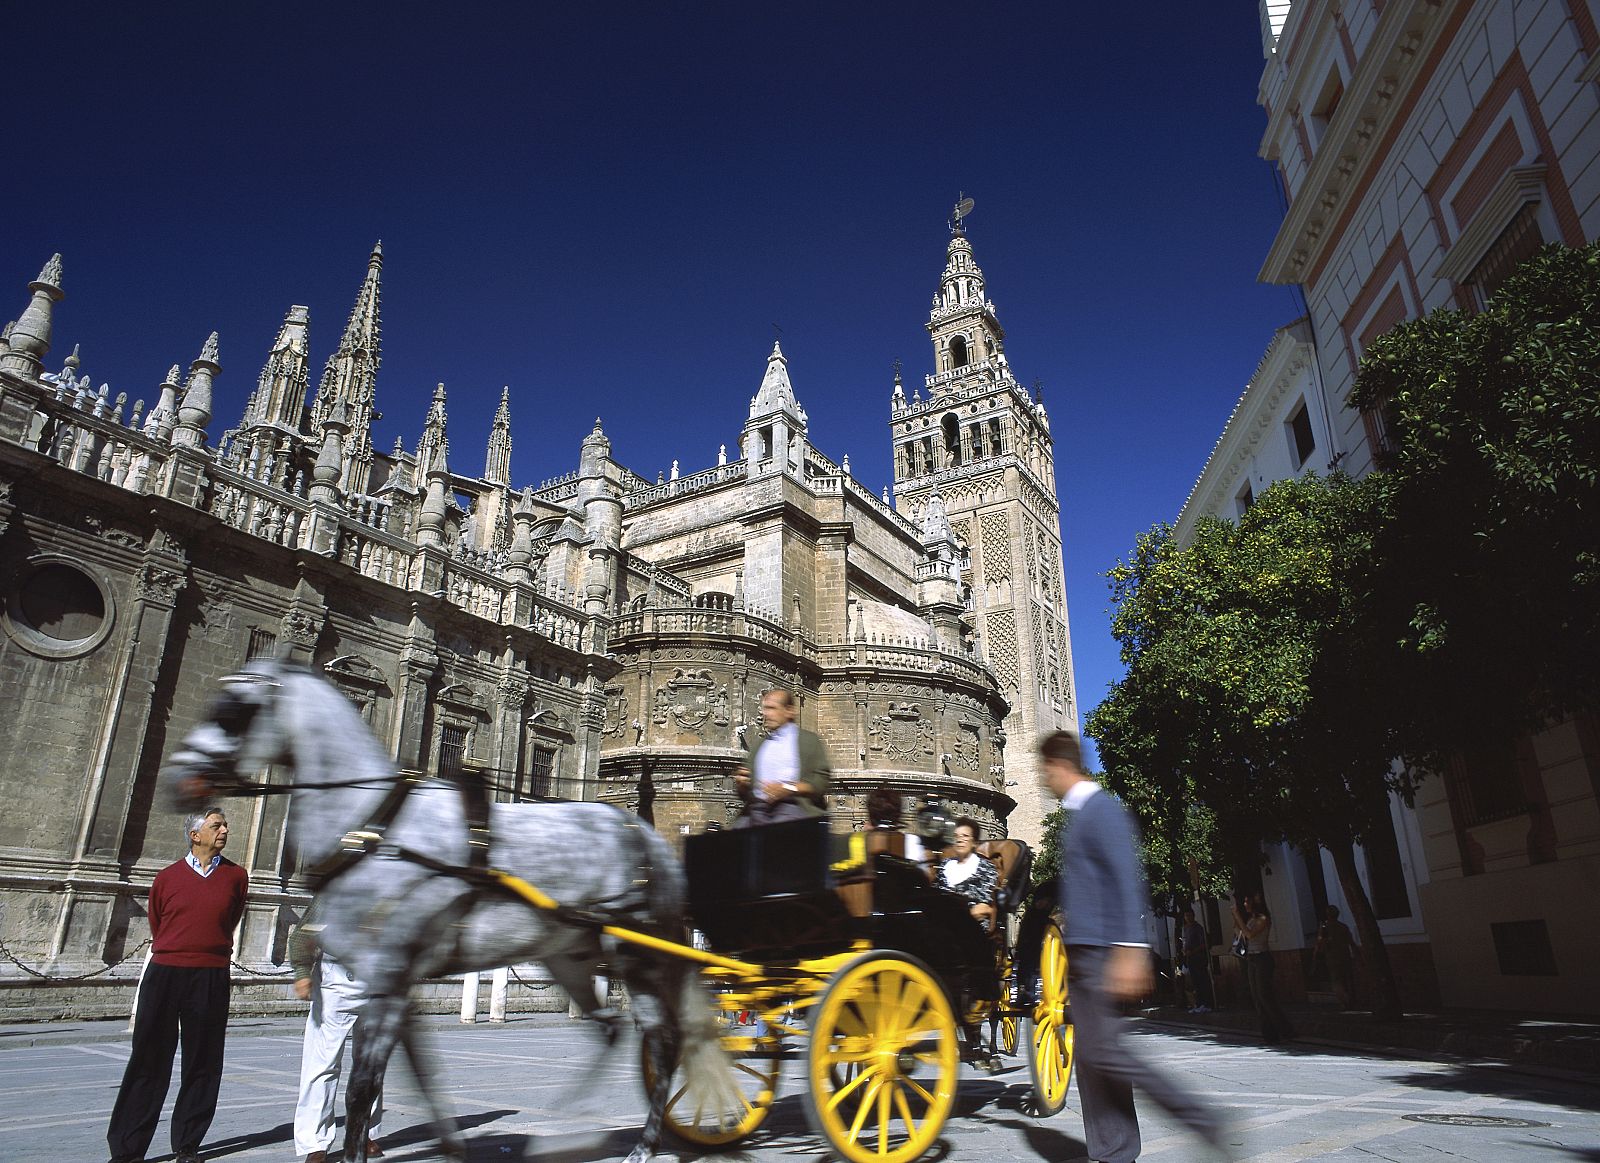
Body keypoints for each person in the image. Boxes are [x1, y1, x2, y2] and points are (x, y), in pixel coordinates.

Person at [1040, 731, 1230, 1163]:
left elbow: (1127, 876)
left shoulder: (1101, 809)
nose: (1044, 780)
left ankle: (1197, 1118)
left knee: (1108, 1053)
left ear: (1059, 766)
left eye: (1046, 771)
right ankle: (1110, 1149)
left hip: (1104, 951)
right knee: (1092, 1057)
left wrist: (1130, 947)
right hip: (1086, 951)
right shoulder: (1080, 814)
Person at [107, 807, 249, 1163]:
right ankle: (127, 1150)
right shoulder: (166, 878)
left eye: (225, 825)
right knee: (148, 1059)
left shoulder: (236, 876)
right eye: (217, 825)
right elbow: (159, 921)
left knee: (203, 1060)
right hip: (166, 972)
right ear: (195, 835)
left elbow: (230, 918)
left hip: (211, 974)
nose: (225, 830)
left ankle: (188, 1145)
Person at [290, 900, 384, 1163]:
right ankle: (315, 1142)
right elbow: (304, 933)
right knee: (322, 1064)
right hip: (336, 982)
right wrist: (301, 971)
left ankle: (363, 1133)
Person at [733, 688, 831, 827]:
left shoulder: (809, 741)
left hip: (792, 807)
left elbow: (821, 783)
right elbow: (745, 794)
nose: (765, 714)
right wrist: (742, 784)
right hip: (757, 809)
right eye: (765, 709)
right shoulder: (759, 745)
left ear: (789, 710)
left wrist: (786, 788)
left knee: (778, 833)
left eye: (772, 708)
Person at [1231, 892, 1295, 1043]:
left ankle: (1286, 1030)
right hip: (1251, 958)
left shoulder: (1263, 919)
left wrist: (1238, 916)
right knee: (1257, 998)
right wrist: (1236, 919)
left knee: (1265, 996)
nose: (1245, 904)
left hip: (1262, 958)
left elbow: (1250, 935)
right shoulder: (1252, 919)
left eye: (1247, 901)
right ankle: (1269, 1034)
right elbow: (1240, 933)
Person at [935, 817, 998, 927]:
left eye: (965, 836)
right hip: (941, 923)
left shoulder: (985, 868)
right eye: (956, 836)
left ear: (974, 842)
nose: (959, 840)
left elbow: (984, 908)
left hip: (972, 926)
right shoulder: (944, 866)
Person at [1313, 904, 1358, 1009]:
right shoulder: (1343, 927)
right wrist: (1356, 954)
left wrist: (1315, 955)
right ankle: (1350, 1000)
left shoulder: (1325, 928)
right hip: (1345, 956)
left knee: (1337, 980)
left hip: (1332, 957)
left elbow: (1319, 942)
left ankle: (1344, 1001)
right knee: (1347, 979)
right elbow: (1351, 942)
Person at [1181, 908, 1215, 1013]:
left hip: (1199, 958)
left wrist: (1194, 951)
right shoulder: (1186, 928)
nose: (1187, 918)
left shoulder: (1198, 928)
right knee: (1195, 982)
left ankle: (1207, 1003)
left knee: (1202, 981)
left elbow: (1204, 943)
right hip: (1190, 958)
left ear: (1193, 916)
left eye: (1189, 915)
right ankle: (1199, 1003)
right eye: (1186, 916)